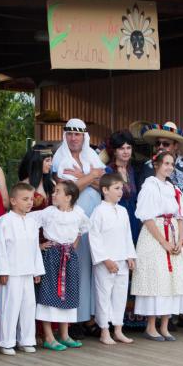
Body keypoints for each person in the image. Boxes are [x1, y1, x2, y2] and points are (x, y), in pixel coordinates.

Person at [133, 151, 183, 342]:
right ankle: (151, 326)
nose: (169, 167)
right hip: (156, 235)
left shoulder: (174, 188)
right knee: (156, 278)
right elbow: (147, 218)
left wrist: (180, 241)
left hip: (172, 233)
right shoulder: (150, 186)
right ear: (156, 165)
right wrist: (163, 242)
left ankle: (165, 326)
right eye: (166, 163)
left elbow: (181, 217)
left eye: (172, 164)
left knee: (172, 280)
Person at [52, 119, 105, 325]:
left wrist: (83, 177)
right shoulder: (60, 158)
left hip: (95, 217)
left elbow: (105, 186)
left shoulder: (92, 156)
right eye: (70, 134)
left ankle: (93, 318)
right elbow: (69, 191)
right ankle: (75, 319)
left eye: (78, 134)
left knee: (95, 265)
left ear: (84, 136)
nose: (74, 138)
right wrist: (92, 176)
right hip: (72, 221)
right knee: (77, 266)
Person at [34, 179, 90, 350]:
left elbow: (82, 229)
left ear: (68, 197)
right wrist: (39, 246)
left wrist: (74, 244)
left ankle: (65, 334)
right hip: (51, 256)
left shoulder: (78, 213)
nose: (53, 194)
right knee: (49, 292)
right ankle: (49, 336)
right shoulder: (49, 212)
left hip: (68, 257)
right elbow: (29, 225)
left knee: (68, 293)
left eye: (57, 191)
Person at [0, 182, 44, 355]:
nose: (30, 202)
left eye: (31, 199)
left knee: (28, 306)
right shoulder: (4, 221)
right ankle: (6, 341)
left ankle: (26, 339)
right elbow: (0, 247)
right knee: (10, 306)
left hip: (28, 270)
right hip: (12, 271)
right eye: (25, 199)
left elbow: (35, 247)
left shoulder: (32, 222)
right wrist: (2, 271)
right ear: (13, 201)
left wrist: (37, 270)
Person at [91, 174, 137, 346]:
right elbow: (94, 237)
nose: (120, 191)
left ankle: (118, 329)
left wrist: (130, 255)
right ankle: (104, 330)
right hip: (106, 262)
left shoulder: (123, 211)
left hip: (122, 259)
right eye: (116, 188)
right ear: (105, 190)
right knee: (103, 295)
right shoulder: (98, 211)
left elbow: (127, 235)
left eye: (121, 188)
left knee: (120, 295)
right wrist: (105, 259)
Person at [135, 120, 183, 193]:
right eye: (158, 143)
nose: (160, 146)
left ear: (175, 146)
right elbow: (142, 193)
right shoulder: (148, 166)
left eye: (166, 144)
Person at [103, 131, 141, 241]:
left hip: (133, 219)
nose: (126, 152)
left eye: (128, 148)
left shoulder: (132, 170)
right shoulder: (108, 171)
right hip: (115, 219)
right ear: (114, 151)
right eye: (121, 148)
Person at [18, 143, 56, 210]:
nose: (51, 164)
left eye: (51, 160)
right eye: (47, 160)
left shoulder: (52, 183)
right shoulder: (23, 185)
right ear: (37, 161)